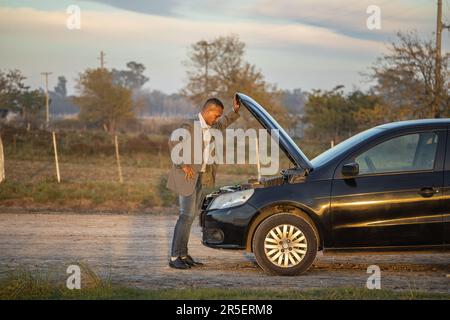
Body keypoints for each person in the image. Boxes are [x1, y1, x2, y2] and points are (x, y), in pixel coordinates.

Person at [166, 95, 240, 269]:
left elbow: (224, 123)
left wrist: (234, 111)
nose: (218, 119)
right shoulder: (190, 125)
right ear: (209, 111)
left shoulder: (212, 126)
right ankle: (175, 257)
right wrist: (183, 165)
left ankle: (183, 255)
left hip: (201, 176)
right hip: (187, 176)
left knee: (190, 216)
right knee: (185, 216)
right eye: (217, 115)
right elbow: (173, 143)